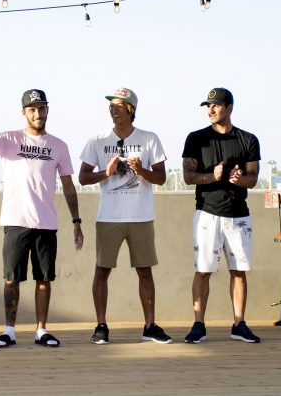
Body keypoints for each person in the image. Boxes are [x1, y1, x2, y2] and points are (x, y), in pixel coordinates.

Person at [0, 89, 83, 348]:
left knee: (44, 280)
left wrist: (77, 222)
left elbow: (68, 186)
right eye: (32, 109)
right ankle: (9, 330)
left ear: (47, 110)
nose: (38, 113)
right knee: (12, 279)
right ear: (24, 113)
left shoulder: (59, 146)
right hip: (15, 221)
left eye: (41, 108)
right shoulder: (9, 139)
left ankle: (41, 331)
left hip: (46, 224)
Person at [79, 87, 172, 345]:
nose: (113, 109)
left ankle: (150, 326)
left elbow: (162, 178)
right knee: (102, 270)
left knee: (145, 271)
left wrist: (141, 170)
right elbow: (83, 177)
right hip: (109, 217)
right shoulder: (97, 140)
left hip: (141, 217)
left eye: (118, 106)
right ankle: (101, 326)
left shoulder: (149, 138)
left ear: (131, 109)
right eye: (111, 105)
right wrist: (106, 173)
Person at [182, 87, 261, 344]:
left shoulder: (248, 140)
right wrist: (211, 177)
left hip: (238, 216)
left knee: (238, 271)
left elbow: (253, 179)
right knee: (203, 270)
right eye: (208, 106)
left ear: (229, 108)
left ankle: (239, 324)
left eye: (215, 106)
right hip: (207, 214)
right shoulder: (196, 139)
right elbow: (188, 177)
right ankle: (198, 325)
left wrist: (239, 180)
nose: (211, 110)